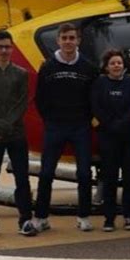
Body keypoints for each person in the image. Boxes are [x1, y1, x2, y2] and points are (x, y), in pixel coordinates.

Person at [34, 23, 98, 232]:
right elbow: (40, 98)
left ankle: (84, 215)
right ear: (58, 41)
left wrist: (87, 119)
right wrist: (50, 119)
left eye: (72, 38)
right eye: (65, 38)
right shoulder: (48, 67)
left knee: (84, 174)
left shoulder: (88, 67)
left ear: (78, 40)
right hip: (55, 126)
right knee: (46, 173)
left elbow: (94, 98)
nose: (69, 42)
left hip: (80, 126)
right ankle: (41, 216)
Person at [0, 29, 37, 239]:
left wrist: (7, 126)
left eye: (7, 47)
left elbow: (21, 104)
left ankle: (26, 219)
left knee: (22, 178)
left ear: (12, 49)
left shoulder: (21, 74)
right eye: (0, 46)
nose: (3, 50)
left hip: (16, 134)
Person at [92, 49, 130, 232]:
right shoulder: (99, 83)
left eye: (119, 63)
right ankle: (109, 217)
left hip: (129, 135)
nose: (116, 66)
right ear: (106, 66)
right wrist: (110, 123)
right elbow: (96, 106)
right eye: (112, 63)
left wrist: (122, 123)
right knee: (110, 178)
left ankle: (129, 216)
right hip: (108, 136)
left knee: (129, 178)